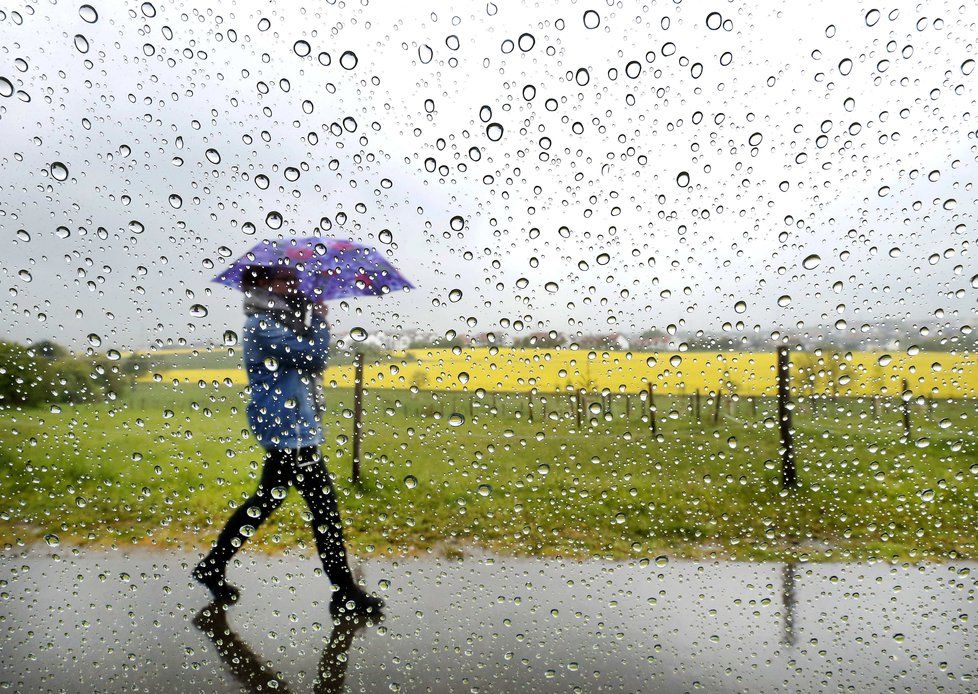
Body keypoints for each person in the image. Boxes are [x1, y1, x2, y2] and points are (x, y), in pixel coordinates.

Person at [193, 264, 384, 618]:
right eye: (288, 280)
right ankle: (344, 591)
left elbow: (303, 359)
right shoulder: (262, 325)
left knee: (266, 501)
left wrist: (309, 314)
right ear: (266, 285)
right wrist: (322, 321)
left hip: (291, 427)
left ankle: (212, 566)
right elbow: (313, 358)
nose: (296, 285)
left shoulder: (277, 320)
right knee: (324, 510)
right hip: (288, 430)